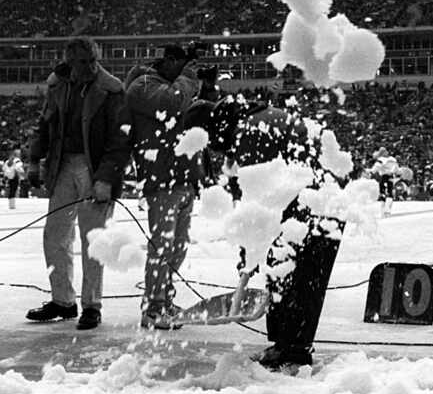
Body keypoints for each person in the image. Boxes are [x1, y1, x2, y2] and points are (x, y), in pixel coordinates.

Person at [183, 95, 345, 369]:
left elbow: (258, 200)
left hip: (315, 206)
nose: (214, 149)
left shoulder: (251, 131)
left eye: (209, 141)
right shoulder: (252, 119)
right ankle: (284, 345)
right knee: (281, 270)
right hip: (308, 201)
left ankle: (294, 352)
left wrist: (250, 252)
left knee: (301, 277)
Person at [25, 37, 130, 330]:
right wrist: (35, 159)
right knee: (54, 234)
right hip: (63, 164)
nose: (90, 66)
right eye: (83, 62)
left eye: (93, 59)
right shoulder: (57, 85)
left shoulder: (111, 89)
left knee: (93, 240)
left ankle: (91, 305)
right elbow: (45, 124)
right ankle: (63, 300)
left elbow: (120, 140)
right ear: (70, 62)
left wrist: (106, 179)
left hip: (93, 166)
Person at [123, 43, 207, 330]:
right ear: (169, 60)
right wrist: (187, 79)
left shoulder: (174, 86)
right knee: (162, 246)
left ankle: (164, 299)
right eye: (182, 64)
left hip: (183, 176)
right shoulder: (143, 85)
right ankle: (153, 306)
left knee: (178, 247)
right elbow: (171, 105)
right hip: (162, 178)